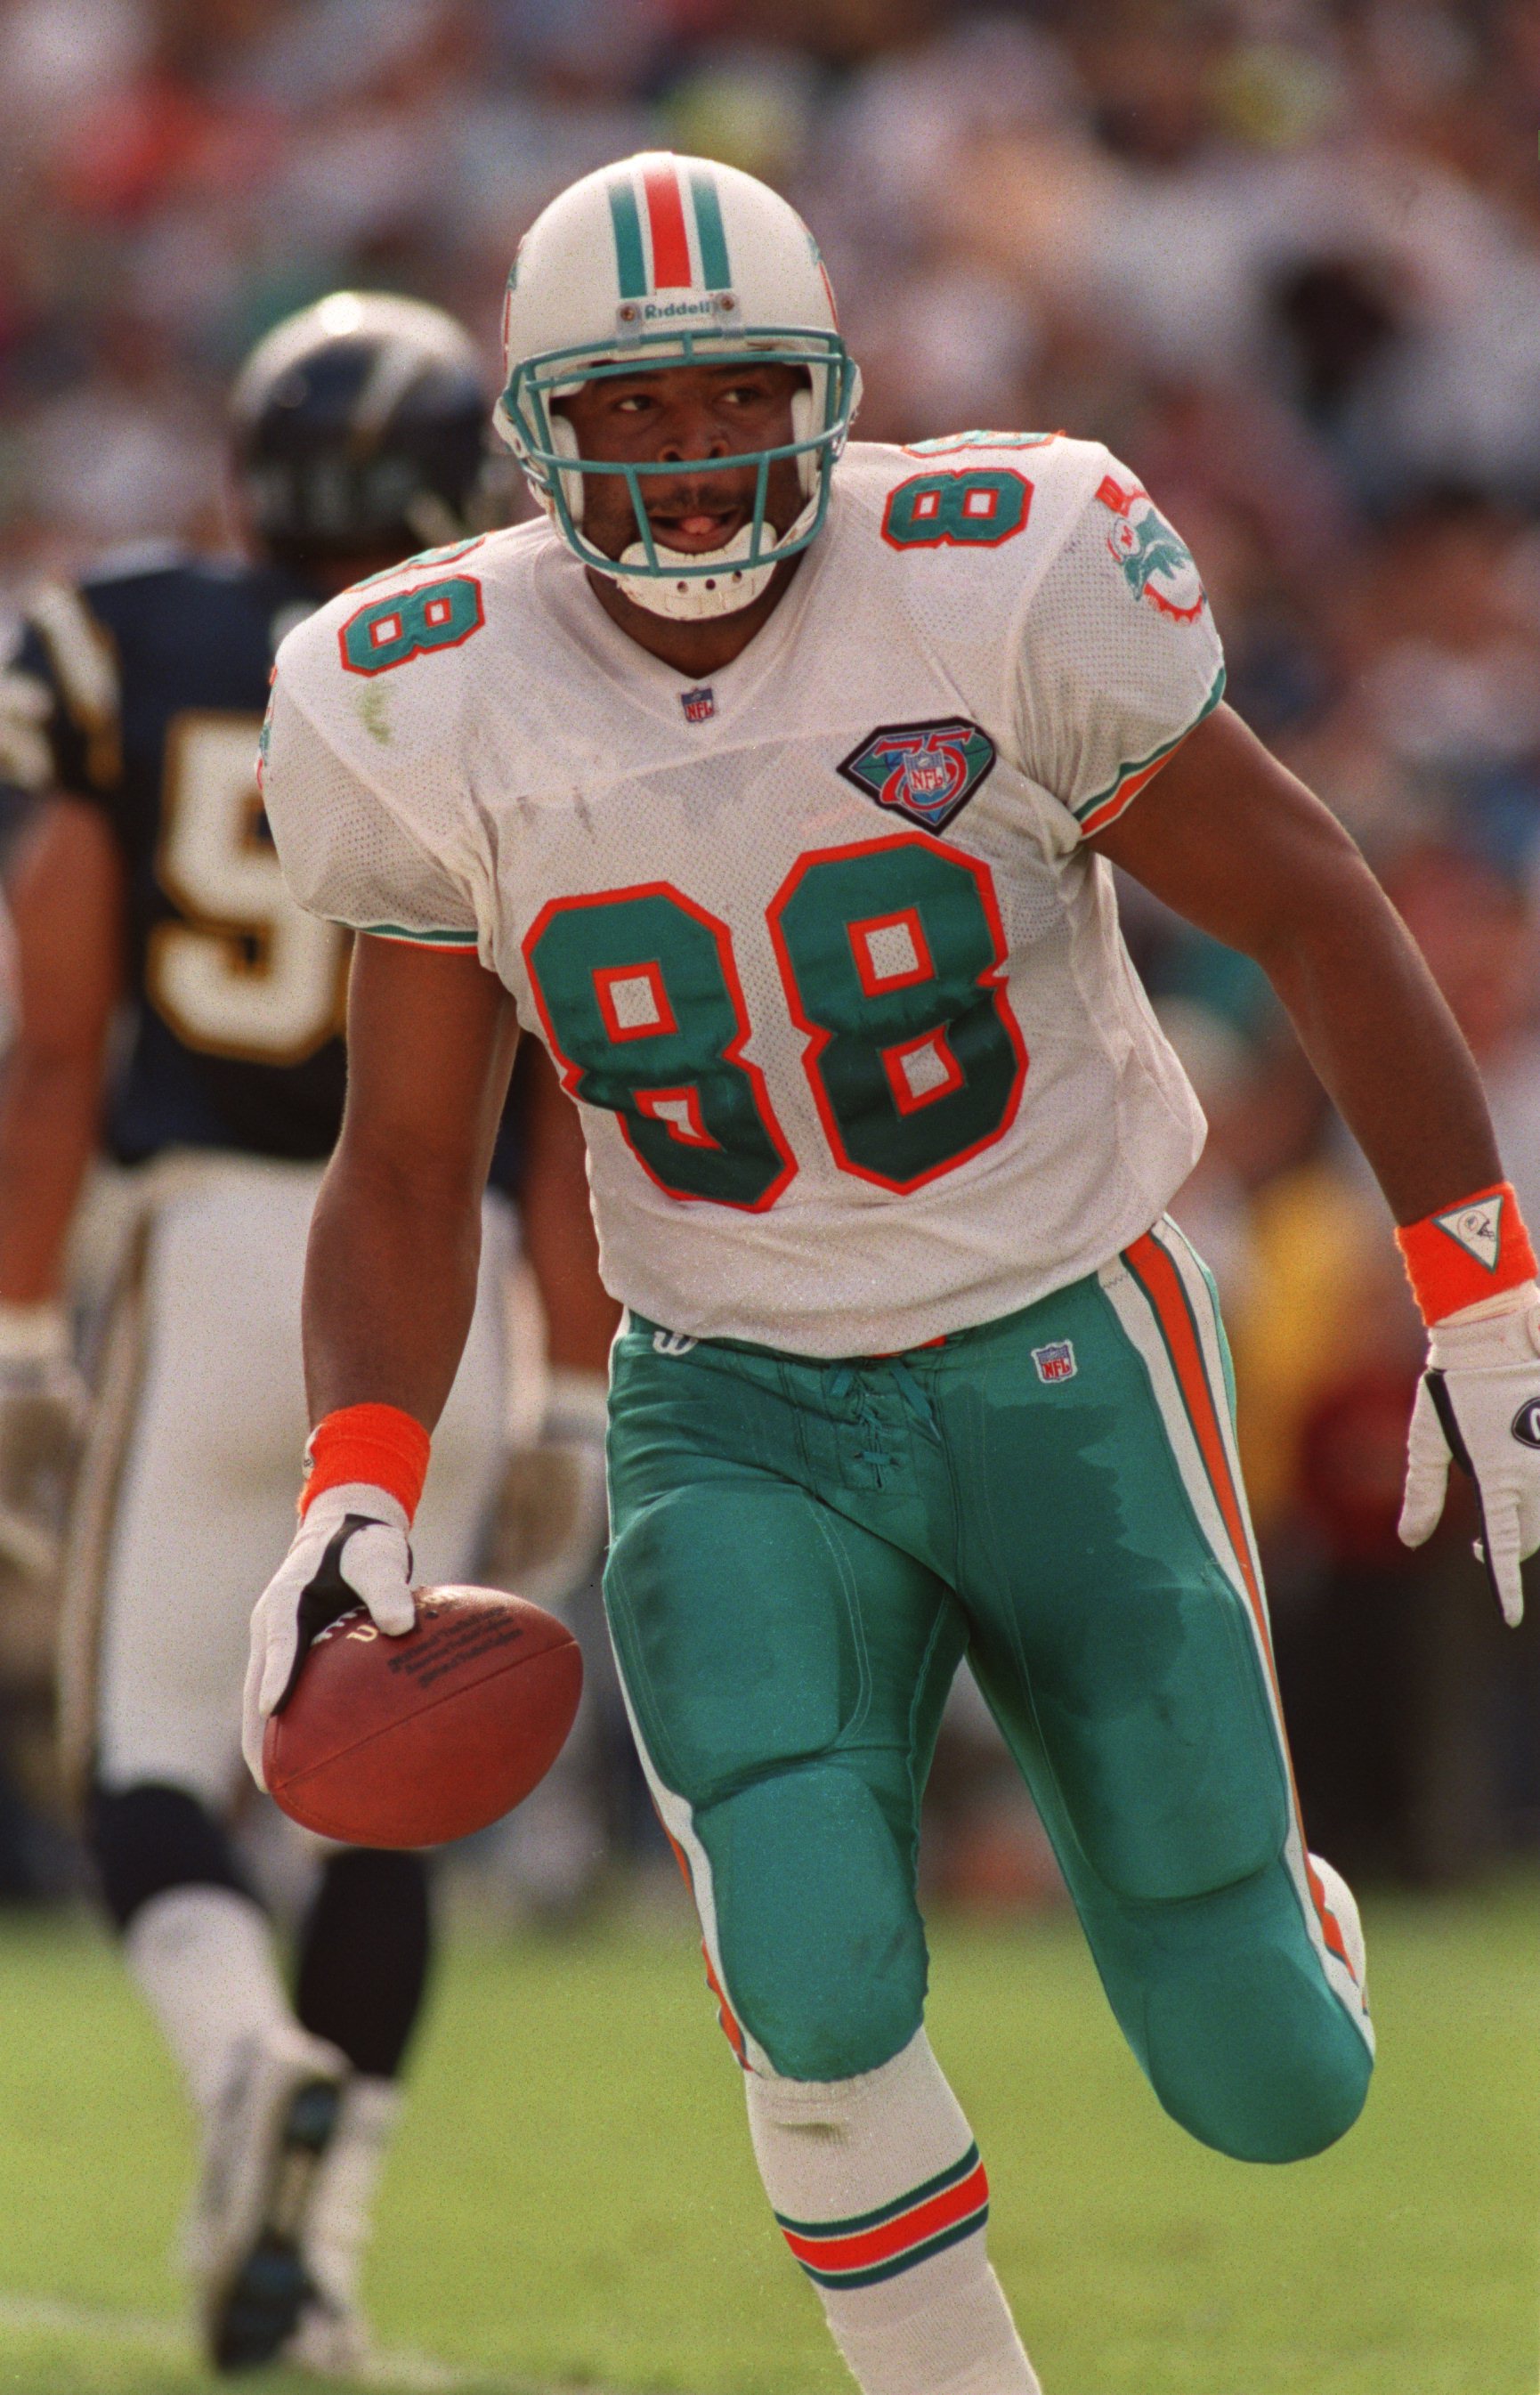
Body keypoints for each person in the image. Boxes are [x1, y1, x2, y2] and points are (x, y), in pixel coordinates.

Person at [245, 157, 1540, 2392]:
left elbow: (1316, 901)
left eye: (727, 395)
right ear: (538, 435)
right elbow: (401, 1155)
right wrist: (351, 1479)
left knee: (1270, 2079)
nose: (679, 457)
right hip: (730, 1383)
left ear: (826, 394)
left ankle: (1268, 1909)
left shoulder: (999, 571)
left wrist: (1488, 1293)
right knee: (812, 1967)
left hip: (1065, 1333)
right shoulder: (420, 692)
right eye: (623, 415)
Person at [0, 292, 611, 2376]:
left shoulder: (126, 638)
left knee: (145, 1752)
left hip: (205, 1252)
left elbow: (57, 1031)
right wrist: (578, 1378)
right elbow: (569, 1087)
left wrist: (12, 1332)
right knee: (397, 1756)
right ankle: (320, 2259)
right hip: (444, 1276)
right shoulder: (527, 671)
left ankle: (246, 2059)